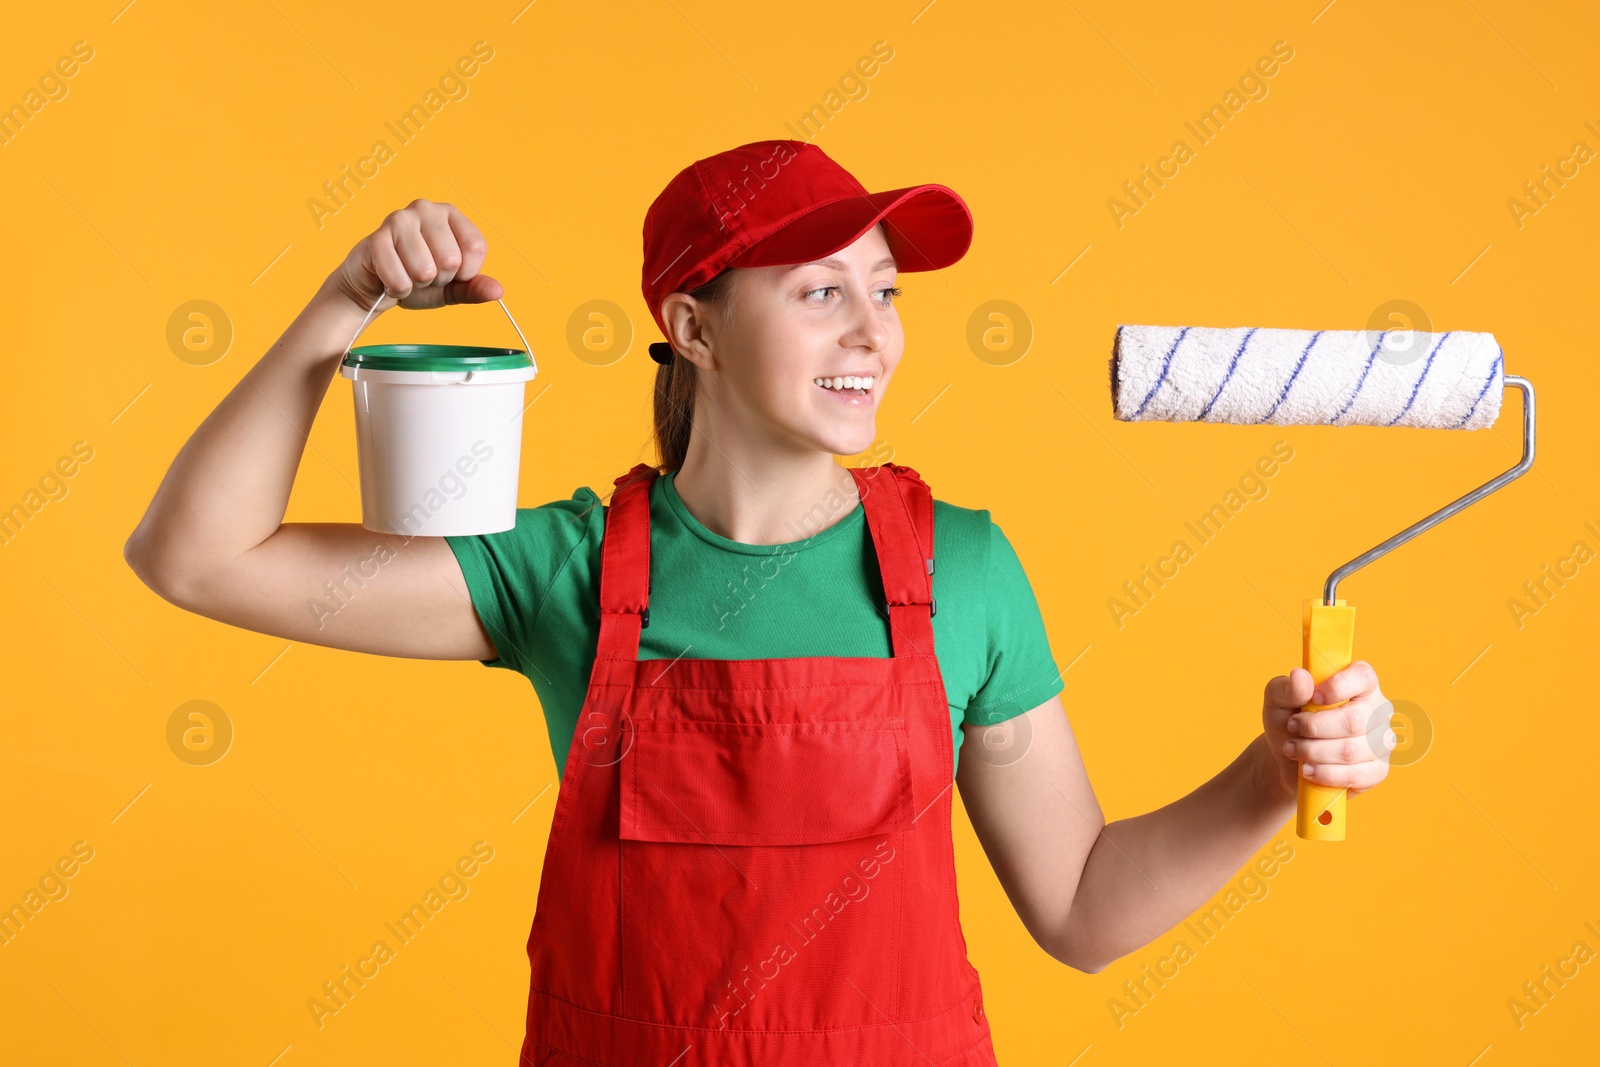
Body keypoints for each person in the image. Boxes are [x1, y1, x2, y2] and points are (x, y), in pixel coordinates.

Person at [123, 139, 1394, 1065]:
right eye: (819, 290)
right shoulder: (565, 570)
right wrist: (347, 302)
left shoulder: (962, 571)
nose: (872, 334)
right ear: (695, 326)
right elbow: (200, 556)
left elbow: (1081, 907)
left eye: (884, 290)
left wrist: (1268, 773)